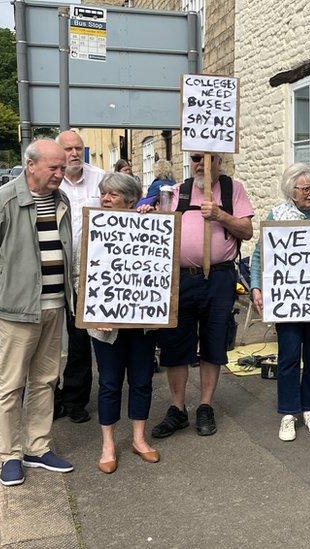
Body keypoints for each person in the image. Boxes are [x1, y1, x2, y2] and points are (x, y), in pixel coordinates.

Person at [0, 139, 76, 486]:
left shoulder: (61, 201)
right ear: (31, 165)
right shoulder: (3, 201)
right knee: (10, 385)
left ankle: (37, 447)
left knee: (45, 380)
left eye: (63, 167)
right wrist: (4, 291)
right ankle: (9, 455)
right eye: (54, 168)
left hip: (54, 306)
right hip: (17, 311)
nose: (61, 173)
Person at [147, 152, 254, 439]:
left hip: (219, 278)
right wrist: (148, 215)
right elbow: (160, 229)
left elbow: (247, 230)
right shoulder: (176, 191)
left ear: (220, 161)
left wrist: (220, 214)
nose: (200, 164)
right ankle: (177, 408)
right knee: (175, 344)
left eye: (208, 158)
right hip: (181, 279)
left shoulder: (233, 189)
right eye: (195, 158)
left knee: (213, 342)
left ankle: (205, 405)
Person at [249, 163, 310, 442]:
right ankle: (289, 413)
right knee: (289, 357)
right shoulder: (277, 215)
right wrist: (256, 287)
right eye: (305, 189)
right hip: (289, 300)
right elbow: (259, 255)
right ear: (292, 191)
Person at [88, 173, 160, 474]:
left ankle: (139, 439)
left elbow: (161, 264)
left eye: (113, 195)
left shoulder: (150, 224)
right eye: (104, 194)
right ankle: (108, 444)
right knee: (109, 382)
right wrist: (94, 312)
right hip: (105, 325)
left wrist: (154, 219)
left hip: (141, 323)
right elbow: (84, 274)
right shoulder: (94, 228)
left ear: (131, 199)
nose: (106, 199)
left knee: (142, 380)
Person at [54, 130, 105, 424]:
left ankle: (76, 400)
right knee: (46, 339)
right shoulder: (49, 179)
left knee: (79, 338)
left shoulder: (100, 178)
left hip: (86, 272)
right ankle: (49, 396)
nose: (74, 154)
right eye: (68, 149)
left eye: (78, 148)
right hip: (51, 268)